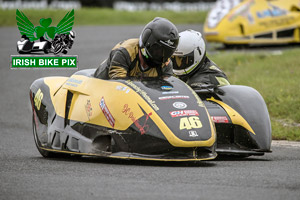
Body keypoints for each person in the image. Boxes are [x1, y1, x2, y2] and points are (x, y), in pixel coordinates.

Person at [94, 17, 179, 79]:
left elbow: (167, 89)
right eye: (158, 50)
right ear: (147, 42)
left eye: (167, 52)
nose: (162, 56)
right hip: (101, 89)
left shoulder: (165, 63)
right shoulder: (125, 52)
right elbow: (118, 85)